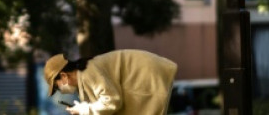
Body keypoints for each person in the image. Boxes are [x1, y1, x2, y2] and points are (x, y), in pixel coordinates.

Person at [44, 49, 178, 114]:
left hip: (147, 75)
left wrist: (85, 109)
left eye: (57, 87)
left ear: (64, 75)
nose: (60, 90)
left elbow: (112, 101)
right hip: (146, 74)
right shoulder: (84, 77)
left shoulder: (88, 72)